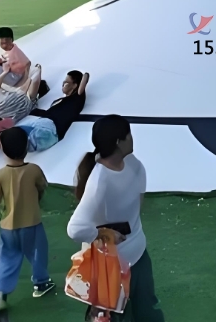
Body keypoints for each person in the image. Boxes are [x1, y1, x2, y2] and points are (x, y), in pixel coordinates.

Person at [68, 115, 165, 322]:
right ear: (119, 142)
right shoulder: (99, 181)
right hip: (111, 266)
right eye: (129, 135)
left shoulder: (133, 165)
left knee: (145, 309)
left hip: (136, 255)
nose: (132, 138)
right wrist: (104, 233)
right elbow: (75, 228)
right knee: (120, 314)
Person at [0, 126, 54, 313]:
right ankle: (40, 283)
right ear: (26, 147)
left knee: (6, 259)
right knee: (38, 254)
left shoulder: (0, 175)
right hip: (32, 225)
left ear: (4, 150)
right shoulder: (34, 170)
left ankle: (1, 295)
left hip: (8, 228)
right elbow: (41, 188)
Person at [0, 70, 90, 154]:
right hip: (40, 124)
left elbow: (85, 77)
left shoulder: (77, 99)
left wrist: (83, 78)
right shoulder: (61, 101)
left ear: (75, 85)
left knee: (20, 142)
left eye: (66, 83)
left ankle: (4, 144)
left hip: (50, 129)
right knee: (9, 134)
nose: (63, 84)